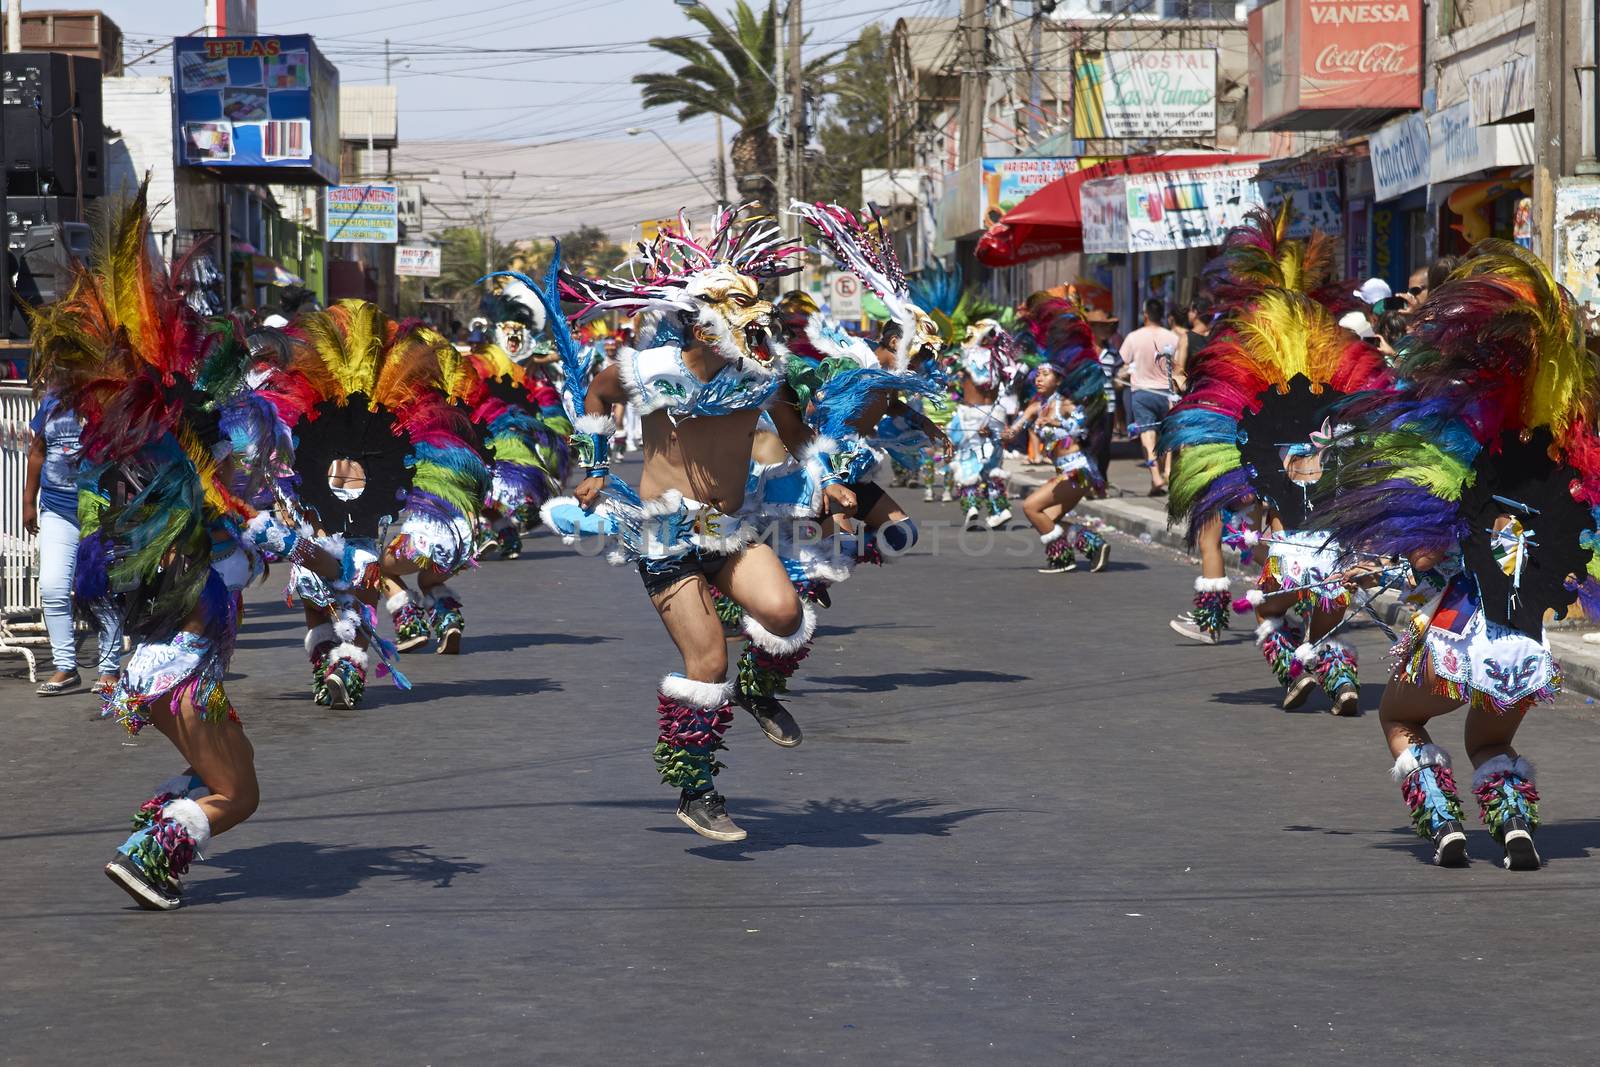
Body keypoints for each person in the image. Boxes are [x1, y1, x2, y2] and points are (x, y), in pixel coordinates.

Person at [534, 213, 821, 843]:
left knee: (784, 614)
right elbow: (598, 395)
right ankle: (698, 791)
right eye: (737, 323)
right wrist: (597, 463)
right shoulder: (651, 367)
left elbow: (802, 440)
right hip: (665, 533)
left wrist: (833, 475)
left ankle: (755, 690)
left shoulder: (764, 375)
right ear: (703, 323)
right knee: (705, 659)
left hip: (733, 530)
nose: (752, 335)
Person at [1316, 243, 1596, 869]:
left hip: (1457, 640)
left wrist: (1378, 561)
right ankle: (1514, 825)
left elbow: (1427, 546)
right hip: (1524, 648)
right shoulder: (1564, 456)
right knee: (1490, 740)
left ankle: (1442, 821)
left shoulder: (1455, 439)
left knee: (1397, 718)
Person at [22, 385, 122, 696]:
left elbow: (125, 457)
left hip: (100, 512)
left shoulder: (110, 399)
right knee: (52, 586)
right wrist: (28, 501)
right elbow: (38, 451)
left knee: (100, 589)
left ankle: (109, 669)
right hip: (57, 510)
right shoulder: (52, 401)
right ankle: (65, 666)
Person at [1119, 297, 1179, 496]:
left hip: (1142, 392)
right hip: (1167, 393)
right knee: (1168, 435)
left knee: (1148, 435)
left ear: (1145, 315)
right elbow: (1178, 366)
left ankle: (1155, 475)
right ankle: (1169, 471)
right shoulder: (1172, 337)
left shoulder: (1133, 337)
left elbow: (1124, 363)